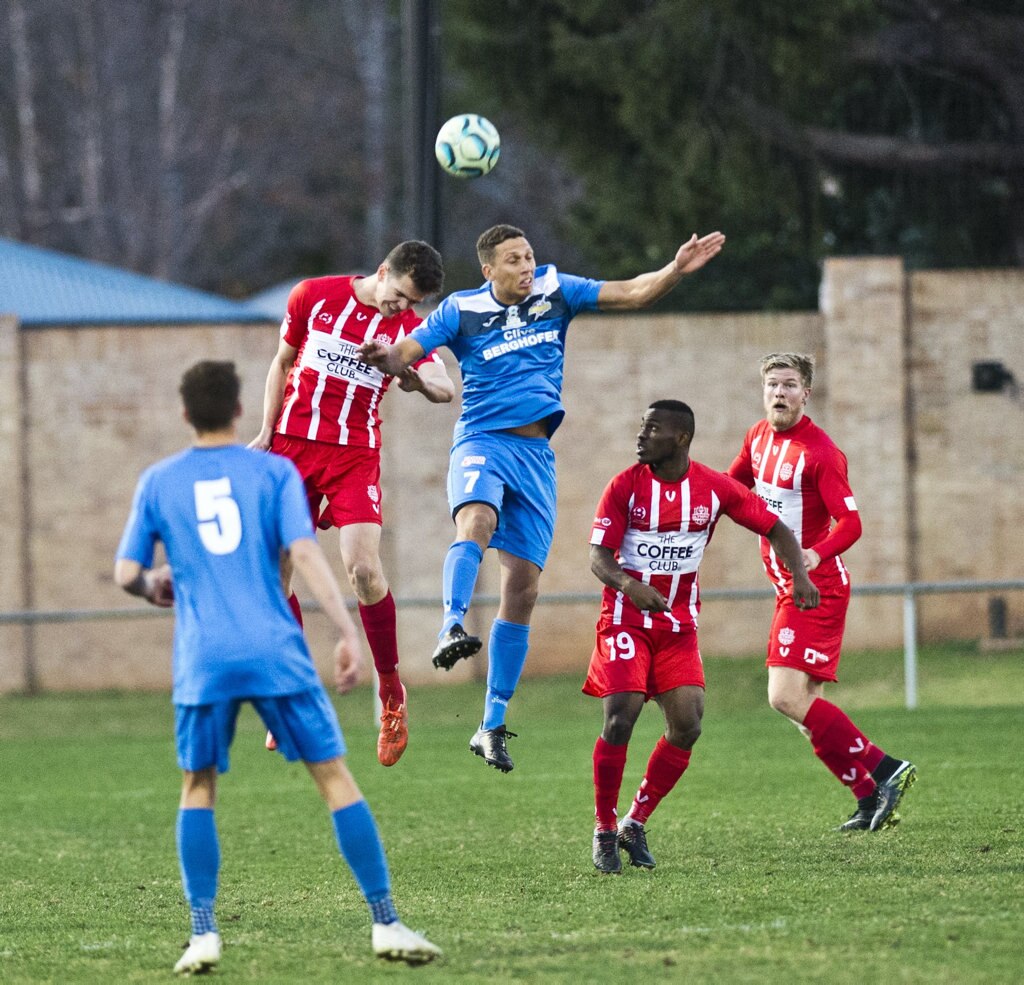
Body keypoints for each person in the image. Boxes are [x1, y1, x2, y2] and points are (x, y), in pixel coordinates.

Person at [359, 224, 726, 773]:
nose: (526, 265)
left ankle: (490, 724)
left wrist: (674, 268)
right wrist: (386, 356)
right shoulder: (460, 310)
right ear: (490, 270)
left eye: (528, 255)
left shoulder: (557, 291)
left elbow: (630, 292)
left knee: (523, 590)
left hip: (535, 458)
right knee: (476, 521)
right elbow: (402, 354)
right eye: (513, 259)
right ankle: (452, 623)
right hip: (481, 441)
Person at [115, 361, 441, 973]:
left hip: (204, 657)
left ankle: (205, 933)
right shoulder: (273, 473)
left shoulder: (158, 481)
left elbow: (128, 574)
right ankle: (386, 922)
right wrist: (345, 631)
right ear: (241, 412)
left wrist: (155, 585)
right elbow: (303, 553)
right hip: (274, 652)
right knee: (335, 779)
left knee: (199, 787)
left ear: (185, 414)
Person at [584, 400, 819, 873]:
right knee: (620, 717)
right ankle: (605, 829)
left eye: (652, 428)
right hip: (627, 619)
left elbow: (776, 528)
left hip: (677, 629)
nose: (641, 436)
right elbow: (598, 557)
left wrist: (802, 576)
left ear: (681, 438)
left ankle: (635, 821)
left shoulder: (714, 489)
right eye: (642, 425)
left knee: (688, 724)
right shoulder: (624, 487)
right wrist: (631, 585)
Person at [249, 241, 453, 767]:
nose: (401, 309)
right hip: (292, 448)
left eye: (411, 304)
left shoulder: (406, 334)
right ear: (383, 272)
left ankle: (390, 694)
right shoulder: (312, 296)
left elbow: (442, 386)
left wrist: (402, 370)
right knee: (277, 572)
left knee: (363, 569)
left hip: (353, 457)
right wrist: (267, 431)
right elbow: (283, 361)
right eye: (398, 297)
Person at [727, 352, 917, 832]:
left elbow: (851, 523)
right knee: (803, 706)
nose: (779, 393)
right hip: (786, 587)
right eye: (772, 384)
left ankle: (883, 767)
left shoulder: (820, 453)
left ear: (805, 393)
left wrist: (815, 554)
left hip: (815, 588)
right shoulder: (757, 437)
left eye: (789, 385)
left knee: (784, 696)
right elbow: (732, 487)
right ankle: (870, 797)